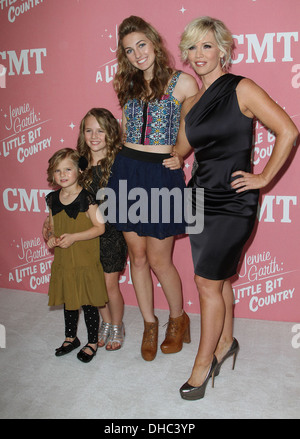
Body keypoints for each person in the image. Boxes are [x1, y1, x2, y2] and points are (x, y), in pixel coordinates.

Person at [175, 16, 298, 399]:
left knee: (206, 283)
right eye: (192, 47)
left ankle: (203, 363)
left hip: (232, 203)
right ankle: (226, 342)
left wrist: (262, 178)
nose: (199, 54)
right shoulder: (190, 101)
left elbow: (288, 131)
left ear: (222, 49)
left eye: (207, 45)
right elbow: (179, 153)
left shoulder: (241, 88)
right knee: (218, 279)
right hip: (199, 198)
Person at [106, 15, 199, 361]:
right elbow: (127, 128)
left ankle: (178, 319)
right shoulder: (127, 84)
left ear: (155, 43)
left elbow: (193, 128)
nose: (137, 54)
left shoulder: (183, 84)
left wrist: (181, 153)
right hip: (128, 171)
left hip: (161, 174)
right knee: (138, 256)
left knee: (160, 259)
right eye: (129, 50)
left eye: (141, 45)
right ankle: (149, 322)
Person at [45, 148, 108, 363]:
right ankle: (71, 338)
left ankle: (92, 341)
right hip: (64, 262)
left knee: (89, 304)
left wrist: (74, 237)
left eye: (67, 169)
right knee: (69, 302)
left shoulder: (87, 198)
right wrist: (51, 238)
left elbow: (100, 228)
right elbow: (51, 226)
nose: (62, 175)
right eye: (57, 170)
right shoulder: (52, 199)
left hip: (85, 260)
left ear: (79, 171)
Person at [77, 108, 128, 351]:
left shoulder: (119, 161)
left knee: (109, 285)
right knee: (95, 284)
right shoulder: (79, 162)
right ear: (82, 133)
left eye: (100, 130)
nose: (94, 136)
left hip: (113, 233)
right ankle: (105, 323)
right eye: (89, 130)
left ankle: (118, 326)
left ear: (111, 133)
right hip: (88, 234)